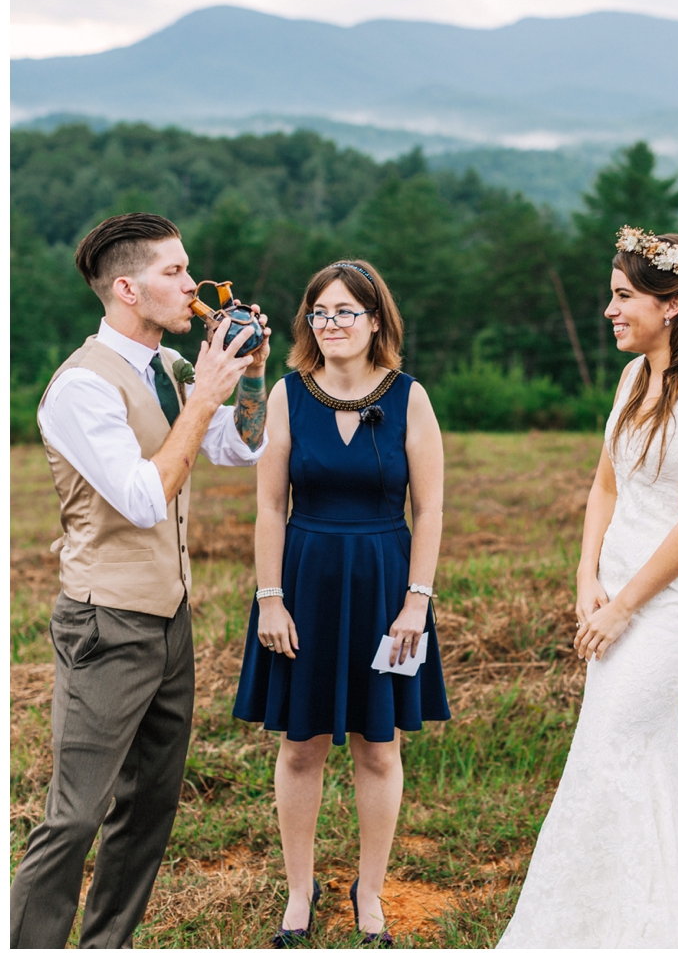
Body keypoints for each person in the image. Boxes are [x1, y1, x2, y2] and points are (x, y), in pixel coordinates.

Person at [10, 212, 270, 949]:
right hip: (105, 624)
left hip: (170, 618)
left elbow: (241, 448)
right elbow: (145, 496)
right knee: (75, 816)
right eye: (175, 272)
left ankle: (107, 947)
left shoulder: (176, 369)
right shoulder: (80, 388)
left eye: (191, 271)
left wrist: (245, 379)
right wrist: (203, 396)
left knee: (149, 809)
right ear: (127, 288)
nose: (194, 287)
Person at [498, 227, 678, 949]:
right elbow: (605, 485)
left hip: (671, 607)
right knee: (639, 752)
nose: (608, 309)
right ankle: (648, 916)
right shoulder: (633, 377)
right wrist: (587, 577)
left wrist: (627, 604)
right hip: (613, 594)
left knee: (613, 748)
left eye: (622, 295)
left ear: (671, 303)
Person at [233, 259, 450, 947]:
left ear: (375, 320)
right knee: (301, 746)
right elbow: (269, 505)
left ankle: (371, 892)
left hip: (388, 588)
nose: (330, 324)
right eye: (319, 312)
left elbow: (432, 504)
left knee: (377, 747)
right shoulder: (287, 394)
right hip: (304, 582)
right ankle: (301, 891)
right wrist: (270, 599)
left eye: (345, 312)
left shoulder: (409, 396)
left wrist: (417, 601)